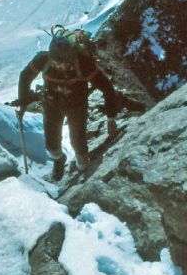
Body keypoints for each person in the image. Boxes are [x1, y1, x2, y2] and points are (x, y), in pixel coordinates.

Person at [17, 27, 118, 181]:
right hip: (51, 104)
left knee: (79, 143)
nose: (61, 66)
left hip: (77, 106)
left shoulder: (84, 64)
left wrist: (111, 117)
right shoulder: (42, 59)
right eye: (57, 62)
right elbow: (25, 77)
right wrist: (23, 102)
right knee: (51, 145)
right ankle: (59, 160)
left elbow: (107, 88)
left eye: (64, 62)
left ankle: (83, 169)